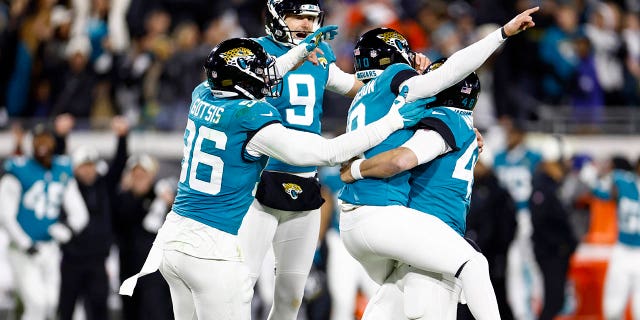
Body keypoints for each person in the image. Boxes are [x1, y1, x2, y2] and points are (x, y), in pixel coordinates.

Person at [118, 36, 431, 320]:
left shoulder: (202, 94)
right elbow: (330, 152)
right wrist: (391, 122)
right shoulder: (250, 118)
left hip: (173, 241)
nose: (268, 77)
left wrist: (297, 53)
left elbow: (250, 73)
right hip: (210, 249)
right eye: (260, 71)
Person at [336, 7, 539, 319]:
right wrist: (502, 33)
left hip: (356, 221)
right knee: (473, 263)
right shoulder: (437, 113)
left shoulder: (363, 98)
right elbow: (449, 73)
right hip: (385, 215)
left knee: (390, 300)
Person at [236, 1, 431, 318]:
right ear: (275, 16)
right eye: (298, 16)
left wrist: (412, 78)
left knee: (290, 296)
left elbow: (363, 89)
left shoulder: (321, 54)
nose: (305, 24)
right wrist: (290, 59)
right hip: (258, 176)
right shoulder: (255, 51)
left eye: (311, 18)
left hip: (305, 177)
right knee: (240, 285)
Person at [0, 124, 89, 320]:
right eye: (38, 139)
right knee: (37, 304)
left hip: (50, 249)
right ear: (30, 143)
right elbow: (5, 215)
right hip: (22, 250)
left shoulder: (62, 168)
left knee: (50, 303)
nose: (43, 144)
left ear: (54, 142)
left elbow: (80, 213)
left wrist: (69, 229)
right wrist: (25, 243)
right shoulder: (17, 168)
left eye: (46, 138)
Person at [57, 117, 130, 320]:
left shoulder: (104, 186)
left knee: (98, 312)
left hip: (98, 262)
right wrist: (61, 137)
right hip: (71, 261)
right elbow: (57, 162)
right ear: (75, 168)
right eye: (83, 165)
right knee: (66, 310)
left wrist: (122, 137)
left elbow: (119, 164)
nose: (88, 170)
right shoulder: (67, 186)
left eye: (91, 165)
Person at [493, 118, 544, 320]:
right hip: (507, 218)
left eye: (513, 133)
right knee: (513, 264)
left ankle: (536, 306)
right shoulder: (498, 157)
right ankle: (520, 311)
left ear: (521, 134)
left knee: (532, 262)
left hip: (528, 215)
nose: (509, 136)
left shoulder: (534, 157)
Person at [580, 156, 640, 320]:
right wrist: (592, 178)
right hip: (623, 250)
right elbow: (601, 191)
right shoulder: (623, 181)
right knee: (613, 308)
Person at [530, 136, 577, 320]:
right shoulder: (543, 186)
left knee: (556, 300)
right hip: (550, 252)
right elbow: (542, 223)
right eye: (564, 161)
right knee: (554, 300)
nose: (567, 165)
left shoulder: (553, 185)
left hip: (556, 251)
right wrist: (562, 245)